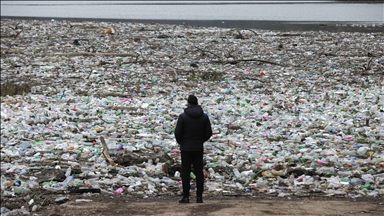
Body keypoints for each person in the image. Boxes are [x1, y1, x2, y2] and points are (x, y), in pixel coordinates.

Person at [175, 95, 212, 203]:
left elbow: (178, 133)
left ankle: (186, 197)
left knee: (186, 171)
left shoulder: (183, 117)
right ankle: (199, 197)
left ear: (188, 103)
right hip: (198, 148)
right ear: (197, 103)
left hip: (186, 148)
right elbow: (208, 133)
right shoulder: (204, 117)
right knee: (198, 171)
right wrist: (201, 140)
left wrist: (181, 142)